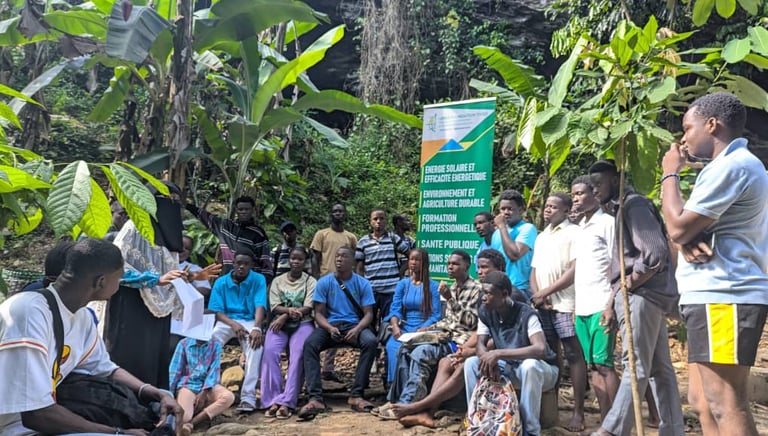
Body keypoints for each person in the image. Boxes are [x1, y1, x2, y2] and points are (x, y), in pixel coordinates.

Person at [660, 92, 768, 436]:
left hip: (726, 294)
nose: (683, 139)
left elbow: (677, 226)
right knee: (702, 401)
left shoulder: (734, 166)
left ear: (711, 124)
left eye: (687, 128)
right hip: (712, 295)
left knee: (725, 402)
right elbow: (685, 230)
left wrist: (669, 173)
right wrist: (686, 237)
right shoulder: (722, 168)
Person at [0, 238, 183, 435]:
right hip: (14, 426)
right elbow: (36, 415)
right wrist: (116, 432)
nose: (119, 284)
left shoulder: (82, 316)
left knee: (159, 404)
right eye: (119, 278)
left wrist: (153, 392)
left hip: (33, 419)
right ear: (101, 282)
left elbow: (104, 369)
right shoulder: (29, 313)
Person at [589, 159, 684, 436]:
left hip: (642, 295)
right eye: (592, 185)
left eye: (599, 184)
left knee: (635, 365)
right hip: (647, 296)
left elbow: (654, 252)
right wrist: (614, 299)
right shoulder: (623, 210)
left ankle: (612, 430)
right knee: (660, 369)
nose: (595, 190)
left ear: (615, 180)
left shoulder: (634, 205)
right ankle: (673, 430)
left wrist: (629, 283)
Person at [101, 183, 191, 389]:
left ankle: (152, 402)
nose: (173, 206)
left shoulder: (169, 233)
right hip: (131, 305)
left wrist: (190, 276)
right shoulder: (134, 227)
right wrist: (154, 280)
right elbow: (116, 267)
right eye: (168, 200)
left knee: (153, 358)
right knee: (131, 356)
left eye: (177, 202)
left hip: (159, 309)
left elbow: (167, 269)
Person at [386, 250, 483, 427]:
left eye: (455, 264)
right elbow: (449, 320)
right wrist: (429, 329)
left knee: (421, 353)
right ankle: (400, 399)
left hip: (460, 341)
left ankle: (408, 405)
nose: (450, 267)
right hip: (444, 334)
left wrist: (450, 300)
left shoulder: (476, 289)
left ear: (467, 266)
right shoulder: (452, 287)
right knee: (405, 348)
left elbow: (471, 322)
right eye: (449, 264)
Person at [463, 272, 558, 436]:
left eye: (488, 293)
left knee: (530, 365)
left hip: (543, 372)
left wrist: (498, 354)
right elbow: (480, 345)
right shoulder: (486, 311)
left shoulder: (526, 314)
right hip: (510, 367)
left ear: (504, 294)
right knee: (471, 363)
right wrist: (488, 359)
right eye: (483, 292)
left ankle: (530, 431)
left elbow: (540, 349)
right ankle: (477, 421)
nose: (483, 297)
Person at [529, 192, 587, 433]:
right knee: (551, 354)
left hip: (566, 303)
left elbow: (574, 270)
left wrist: (546, 292)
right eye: (547, 205)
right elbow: (534, 270)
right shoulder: (542, 236)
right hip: (544, 305)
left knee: (573, 353)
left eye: (554, 207)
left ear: (566, 210)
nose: (548, 209)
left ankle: (578, 412)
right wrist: (538, 295)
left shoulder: (575, 232)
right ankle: (551, 408)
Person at [298, 246, 378, 420]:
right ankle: (315, 398)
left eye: (344, 256)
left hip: (354, 326)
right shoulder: (324, 282)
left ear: (352, 261)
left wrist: (357, 329)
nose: (339, 259)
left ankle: (357, 394)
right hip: (331, 326)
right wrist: (329, 328)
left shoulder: (362, 283)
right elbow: (318, 313)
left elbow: (369, 314)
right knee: (310, 344)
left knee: (370, 342)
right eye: (337, 256)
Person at [571, 175, 620, 422]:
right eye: (573, 194)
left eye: (580, 193)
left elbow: (617, 266)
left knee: (604, 364)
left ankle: (619, 421)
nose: (575, 198)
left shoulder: (608, 223)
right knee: (592, 365)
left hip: (602, 303)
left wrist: (611, 305)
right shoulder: (579, 227)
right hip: (582, 306)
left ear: (595, 194)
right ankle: (605, 421)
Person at [261, 247, 317, 419]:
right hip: (279, 324)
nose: (295, 262)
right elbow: (274, 306)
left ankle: (288, 401)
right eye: (293, 258)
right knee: (270, 351)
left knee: (298, 354)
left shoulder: (310, 281)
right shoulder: (278, 281)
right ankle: (273, 399)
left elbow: (308, 307)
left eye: (300, 259)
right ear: (288, 260)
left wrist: (286, 314)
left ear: (305, 262)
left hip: (303, 322)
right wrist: (285, 314)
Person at [208, 251, 268, 413]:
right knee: (211, 341)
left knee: (256, 347)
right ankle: (211, 389)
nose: (241, 267)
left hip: (249, 320)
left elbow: (260, 305)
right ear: (233, 263)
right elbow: (217, 311)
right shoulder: (221, 282)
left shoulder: (258, 279)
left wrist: (257, 327)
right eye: (238, 263)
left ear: (251, 265)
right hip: (226, 320)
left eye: (246, 264)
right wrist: (233, 324)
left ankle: (248, 397)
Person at [310, 203, 358, 381]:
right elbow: (315, 257)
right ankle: (314, 365)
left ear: (345, 214)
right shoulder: (322, 234)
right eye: (335, 211)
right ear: (331, 214)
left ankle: (328, 368)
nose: (338, 213)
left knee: (337, 321)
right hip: (324, 283)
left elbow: (354, 258)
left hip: (344, 284)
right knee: (320, 321)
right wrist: (316, 278)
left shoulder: (350, 237)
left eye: (341, 211)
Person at [384, 248, 441, 389]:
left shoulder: (433, 286)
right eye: (411, 259)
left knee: (413, 350)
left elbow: (436, 314)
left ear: (424, 263)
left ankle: (410, 388)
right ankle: (395, 387)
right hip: (404, 328)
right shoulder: (403, 284)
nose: (413, 263)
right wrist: (395, 326)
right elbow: (395, 309)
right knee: (392, 346)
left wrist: (423, 328)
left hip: (423, 328)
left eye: (417, 260)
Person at [187, 195, 272, 280]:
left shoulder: (258, 234)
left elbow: (265, 261)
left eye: (247, 209)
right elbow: (205, 216)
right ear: (236, 210)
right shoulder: (225, 227)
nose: (243, 212)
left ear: (253, 210)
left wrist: (264, 281)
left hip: (250, 280)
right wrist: (186, 205)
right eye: (241, 209)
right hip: (227, 278)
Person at [169, 336, 235, 435]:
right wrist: (170, 393)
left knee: (228, 397)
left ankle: (192, 423)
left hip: (208, 386)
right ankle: (187, 421)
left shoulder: (215, 345)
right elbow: (175, 370)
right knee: (185, 417)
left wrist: (204, 391)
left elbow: (214, 371)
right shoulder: (184, 344)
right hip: (188, 385)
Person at [356, 209, 411, 327]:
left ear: (386, 221)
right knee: (369, 323)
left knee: (389, 324)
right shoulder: (363, 242)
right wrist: (362, 287)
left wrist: (401, 272)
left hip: (391, 291)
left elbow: (410, 255)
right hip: (371, 291)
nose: (378, 221)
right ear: (371, 221)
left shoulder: (393, 238)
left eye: (381, 218)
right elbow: (359, 268)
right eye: (375, 219)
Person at [491, 190, 537, 298]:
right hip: (498, 288)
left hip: (519, 289)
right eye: (503, 209)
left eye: (510, 209)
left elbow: (514, 255)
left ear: (520, 210)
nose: (506, 212)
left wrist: (502, 227)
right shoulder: (496, 233)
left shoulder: (527, 229)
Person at [179, 235, 213, 301]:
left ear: (190, 253)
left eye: (187, 248)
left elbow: (206, 290)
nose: (183, 250)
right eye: (180, 246)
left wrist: (189, 284)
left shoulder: (195, 269)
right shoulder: (162, 264)